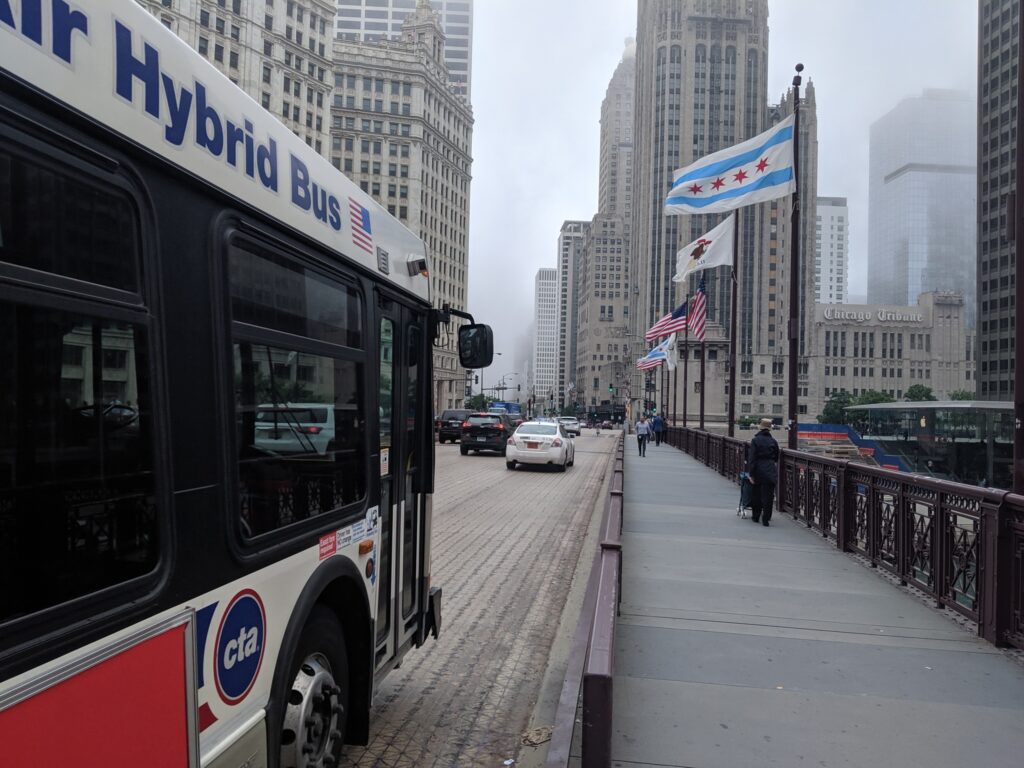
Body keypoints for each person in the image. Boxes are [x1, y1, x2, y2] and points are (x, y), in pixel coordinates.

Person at [745, 417, 780, 526]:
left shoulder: (755, 440)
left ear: (760, 428)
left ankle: (756, 516)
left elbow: (752, 458)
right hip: (770, 469)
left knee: (757, 494)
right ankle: (766, 519)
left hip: (758, 469)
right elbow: (776, 457)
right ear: (769, 429)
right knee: (768, 496)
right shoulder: (773, 441)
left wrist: (751, 474)